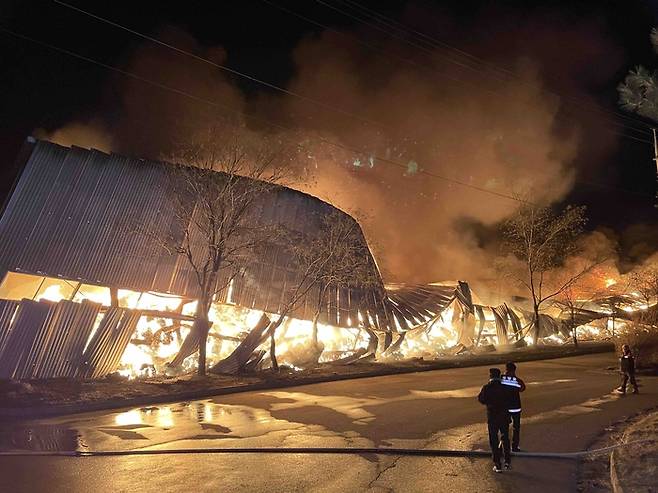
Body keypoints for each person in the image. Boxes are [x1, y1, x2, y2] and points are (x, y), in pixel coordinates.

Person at [478, 367, 512, 473]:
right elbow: (510, 400)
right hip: (504, 416)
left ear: (490, 376)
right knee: (505, 438)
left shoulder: (487, 388)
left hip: (493, 417)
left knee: (494, 440)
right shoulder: (505, 388)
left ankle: (497, 464)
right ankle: (507, 462)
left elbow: (481, 399)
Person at [501, 362, 526, 452]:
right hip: (516, 407)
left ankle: (503, 446)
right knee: (516, 428)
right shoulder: (516, 380)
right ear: (514, 370)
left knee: (504, 428)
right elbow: (522, 388)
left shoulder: (501, 379)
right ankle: (514, 446)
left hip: (505, 408)